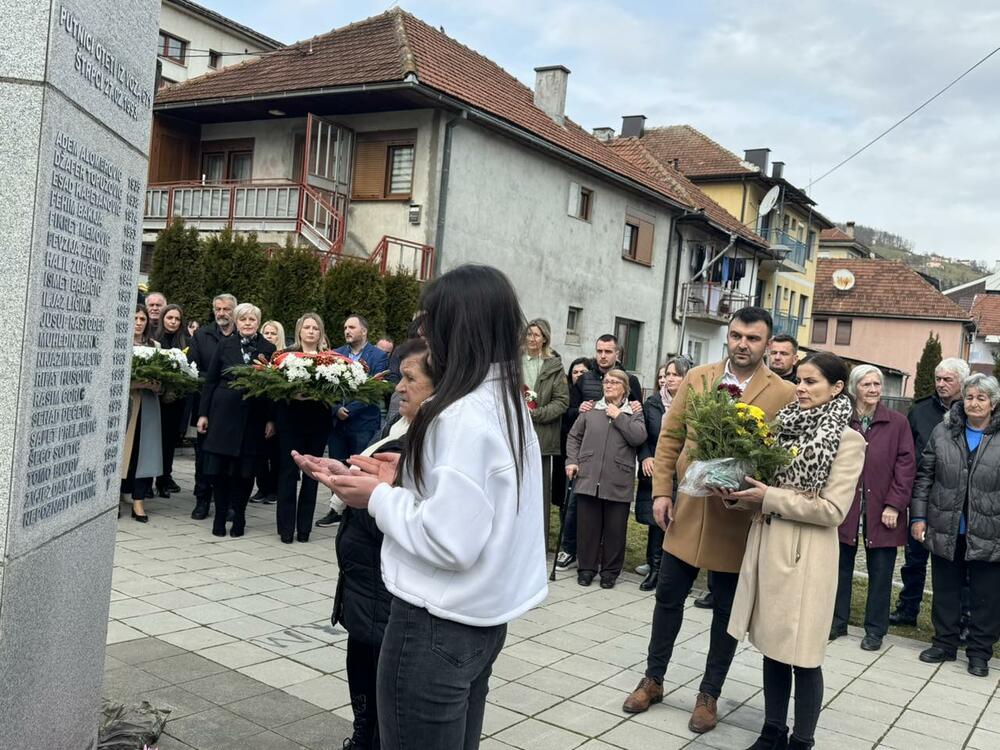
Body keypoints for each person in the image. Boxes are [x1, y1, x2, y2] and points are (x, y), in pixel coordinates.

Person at [296, 265, 547, 748]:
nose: (424, 336)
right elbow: (482, 505)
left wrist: (378, 498)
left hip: (435, 624)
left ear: (458, 328)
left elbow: (450, 541)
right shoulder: (503, 400)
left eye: (431, 323)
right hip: (480, 621)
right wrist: (403, 476)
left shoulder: (461, 415)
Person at [623, 307, 796, 735]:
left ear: (768, 345)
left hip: (736, 518)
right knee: (667, 599)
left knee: (725, 611)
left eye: (753, 338)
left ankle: (709, 693)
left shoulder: (783, 393)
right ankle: (654, 678)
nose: (742, 344)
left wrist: (755, 494)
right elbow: (670, 437)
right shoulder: (699, 377)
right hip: (688, 510)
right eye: (737, 335)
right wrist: (662, 490)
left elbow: (782, 457)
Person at [725, 351, 865, 750]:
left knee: (802, 654)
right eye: (799, 381)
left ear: (837, 388)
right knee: (772, 646)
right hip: (768, 545)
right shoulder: (783, 425)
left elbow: (832, 510)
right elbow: (764, 488)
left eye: (811, 382)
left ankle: (802, 740)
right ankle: (772, 731)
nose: (800, 389)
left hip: (807, 557)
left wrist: (770, 496)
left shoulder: (848, 439)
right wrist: (736, 495)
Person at [333, 337, 433, 749]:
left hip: (385, 583)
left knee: (382, 673)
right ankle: (363, 732)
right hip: (362, 580)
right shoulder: (399, 426)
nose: (398, 386)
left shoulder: (429, 441)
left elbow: (419, 519)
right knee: (361, 662)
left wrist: (372, 493)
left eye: (409, 378)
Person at [910, 373, 1000, 678]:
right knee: (945, 590)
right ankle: (944, 643)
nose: (974, 404)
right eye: (970, 397)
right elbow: (925, 477)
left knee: (986, 596)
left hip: (990, 530)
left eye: (981, 398)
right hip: (946, 525)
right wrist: (919, 517)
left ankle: (979, 653)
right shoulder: (944, 430)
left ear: (993, 403)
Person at [831, 365, 915, 651]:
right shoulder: (842, 420)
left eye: (877, 384)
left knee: (881, 572)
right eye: (867, 384)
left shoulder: (897, 422)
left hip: (882, 508)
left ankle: (875, 630)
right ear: (855, 388)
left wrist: (894, 504)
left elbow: (906, 467)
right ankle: (836, 621)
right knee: (838, 567)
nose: (874, 389)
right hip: (844, 506)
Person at [891, 357, 971, 626]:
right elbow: (906, 452)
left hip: (956, 501)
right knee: (914, 557)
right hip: (923, 496)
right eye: (938, 379)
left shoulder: (974, 411)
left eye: (948, 379)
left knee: (955, 564)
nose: (941, 384)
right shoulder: (921, 410)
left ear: (962, 382)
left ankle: (959, 618)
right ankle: (907, 608)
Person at [196, 303, 276, 538]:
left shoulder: (268, 348)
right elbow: (210, 381)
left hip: (254, 416)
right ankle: (220, 515)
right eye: (243, 319)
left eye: (252, 319)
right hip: (223, 415)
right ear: (236, 322)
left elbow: (273, 388)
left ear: (258, 322)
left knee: (245, 472)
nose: (248, 323)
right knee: (219, 472)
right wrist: (203, 414)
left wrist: (271, 419)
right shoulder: (225, 344)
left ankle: (239, 515)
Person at [565, 369, 645, 588]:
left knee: (615, 530)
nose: (608, 385)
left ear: (625, 388)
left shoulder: (633, 412)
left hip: (618, 478)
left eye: (614, 382)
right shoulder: (591, 410)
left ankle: (610, 572)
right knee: (587, 528)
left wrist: (618, 416)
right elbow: (574, 437)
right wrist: (571, 461)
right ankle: (586, 569)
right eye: (606, 381)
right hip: (588, 476)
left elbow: (638, 437)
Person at [315, 315, 390, 528]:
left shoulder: (378, 356)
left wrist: (351, 410)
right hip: (338, 423)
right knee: (336, 465)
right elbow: (325, 386)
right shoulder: (336, 354)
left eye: (352, 327)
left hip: (363, 423)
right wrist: (336, 409)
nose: (347, 330)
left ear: (364, 331)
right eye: (345, 327)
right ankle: (335, 509)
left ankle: (356, 512)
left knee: (358, 468)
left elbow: (377, 388)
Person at [275, 313, 332, 544]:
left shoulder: (329, 359)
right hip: (292, 419)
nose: (311, 331)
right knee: (288, 473)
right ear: (299, 331)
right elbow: (275, 389)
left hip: (318, 420)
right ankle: (286, 529)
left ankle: (304, 529)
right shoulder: (285, 357)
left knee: (312, 474)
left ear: (320, 332)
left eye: (315, 328)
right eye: (307, 327)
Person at [635, 357, 690, 591]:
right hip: (659, 470)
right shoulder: (653, 403)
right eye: (667, 374)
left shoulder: (694, 404)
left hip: (684, 472)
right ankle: (655, 569)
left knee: (682, 522)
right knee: (658, 520)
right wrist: (645, 456)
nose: (669, 378)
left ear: (686, 377)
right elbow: (643, 436)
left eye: (675, 375)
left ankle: (677, 574)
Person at [187, 294, 238, 520]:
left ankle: (225, 503)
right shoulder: (202, 335)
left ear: (234, 311)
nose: (221, 313)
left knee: (229, 460)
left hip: (233, 409)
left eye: (226, 309)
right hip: (207, 406)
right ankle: (202, 499)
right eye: (218, 308)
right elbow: (194, 370)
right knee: (203, 456)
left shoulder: (242, 337)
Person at [523, 318, 568, 541]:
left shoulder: (555, 366)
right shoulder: (515, 362)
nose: (532, 338)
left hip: (541, 436)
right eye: (529, 334)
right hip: (514, 431)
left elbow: (562, 401)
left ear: (545, 339)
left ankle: (537, 541)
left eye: (536, 335)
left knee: (538, 492)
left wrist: (537, 414)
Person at [121, 305, 163, 522]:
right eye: (135, 318)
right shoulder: (120, 342)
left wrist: (157, 385)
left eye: (142, 318)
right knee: (120, 451)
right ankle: (114, 498)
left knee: (143, 452)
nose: (139, 322)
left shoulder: (155, 346)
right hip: (124, 403)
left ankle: (139, 501)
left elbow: (164, 377)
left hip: (147, 405)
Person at [552, 357, 591, 568]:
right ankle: (566, 545)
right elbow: (566, 416)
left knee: (578, 503)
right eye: (575, 372)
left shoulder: (592, 393)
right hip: (566, 453)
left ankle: (579, 548)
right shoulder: (569, 395)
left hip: (589, 455)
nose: (579, 376)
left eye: (583, 372)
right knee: (566, 502)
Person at [152, 304, 189, 499]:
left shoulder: (185, 341)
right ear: (163, 319)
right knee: (152, 441)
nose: (173, 322)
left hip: (175, 401)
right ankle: (146, 481)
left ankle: (164, 479)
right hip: (155, 398)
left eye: (177, 319)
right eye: (170, 318)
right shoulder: (154, 340)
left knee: (168, 443)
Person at [251, 320, 287, 505]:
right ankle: (262, 487)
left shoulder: (284, 358)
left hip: (276, 413)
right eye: (266, 333)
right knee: (259, 454)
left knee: (275, 454)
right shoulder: (259, 355)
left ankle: (273, 489)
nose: (269, 336)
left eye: (273, 333)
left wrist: (272, 419)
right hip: (259, 411)